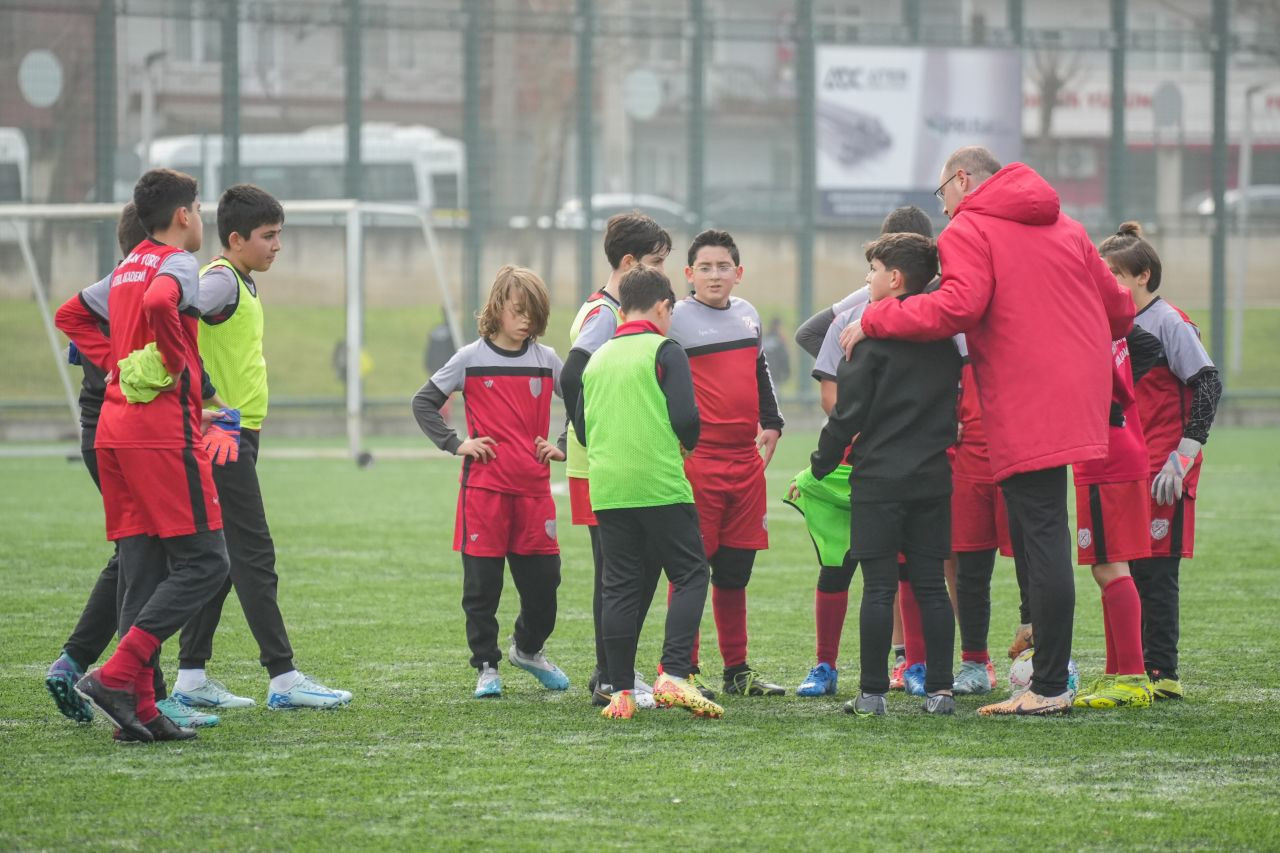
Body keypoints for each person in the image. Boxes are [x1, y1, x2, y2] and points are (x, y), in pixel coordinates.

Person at [842, 146, 1135, 716]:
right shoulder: (1068, 226)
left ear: (960, 180)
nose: (945, 208)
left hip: (1026, 394)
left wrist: (874, 317)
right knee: (1041, 530)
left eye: (942, 194)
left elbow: (957, 307)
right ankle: (1049, 678)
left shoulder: (969, 228)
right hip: (1079, 390)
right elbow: (1120, 311)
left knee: (1042, 534)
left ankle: (1049, 686)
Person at [55, 168, 232, 742]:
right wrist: (174, 361)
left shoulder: (128, 263)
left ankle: (141, 709)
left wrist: (116, 363)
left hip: (113, 429)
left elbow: (71, 315)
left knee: (142, 568)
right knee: (208, 562)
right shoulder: (176, 263)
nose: (201, 218)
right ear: (183, 215)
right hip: (160, 433)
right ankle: (117, 676)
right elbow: (162, 302)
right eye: (200, 208)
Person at [172, 184, 351, 711]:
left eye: (280, 235)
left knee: (222, 561)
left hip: (236, 435)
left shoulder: (241, 282)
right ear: (236, 239)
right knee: (254, 555)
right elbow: (175, 323)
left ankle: (189, 677)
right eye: (269, 236)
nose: (277, 245)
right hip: (221, 438)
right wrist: (208, 405)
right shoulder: (219, 283)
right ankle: (283, 676)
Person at [810, 233, 960, 717]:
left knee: (878, 588)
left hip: (877, 480)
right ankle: (940, 690)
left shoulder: (868, 341)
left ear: (894, 279)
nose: (868, 280)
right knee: (931, 587)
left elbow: (847, 416)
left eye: (872, 271)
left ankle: (872, 693)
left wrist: (821, 462)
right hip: (932, 478)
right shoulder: (944, 342)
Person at [789, 206, 932, 698]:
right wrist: (862, 431)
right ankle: (825, 667)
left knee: (905, 568)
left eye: (872, 269)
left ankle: (914, 666)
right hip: (851, 460)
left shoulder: (937, 317)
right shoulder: (848, 319)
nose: (867, 277)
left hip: (896, 464)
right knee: (836, 565)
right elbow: (830, 394)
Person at [572, 265, 723, 721]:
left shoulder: (597, 358)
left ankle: (618, 690)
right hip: (658, 483)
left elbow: (580, 423)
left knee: (618, 585)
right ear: (663, 307)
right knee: (692, 572)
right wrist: (686, 442)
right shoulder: (664, 348)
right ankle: (674, 674)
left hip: (609, 487)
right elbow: (687, 416)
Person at [412, 265, 569, 699]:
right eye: (520, 311)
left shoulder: (547, 360)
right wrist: (455, 443)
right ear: (497, 308)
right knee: (482, 587)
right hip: (484, 493)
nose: (527, 321)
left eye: (535, 314)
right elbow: (423, 402)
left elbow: (583, 402)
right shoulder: (469, 359)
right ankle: (486, 665)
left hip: (535, 494)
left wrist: (562, 445)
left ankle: (528, 649)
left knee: (545, 585)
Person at [1098, 222, 1222, 701]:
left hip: (1162, 470)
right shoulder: (1112, 322)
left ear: (1143, 275)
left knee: (1156, 572)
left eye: (1114, 275)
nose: (1107, 283)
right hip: (1124, 466)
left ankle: (1161, 672)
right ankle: (1129, 669)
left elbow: (1207, 383)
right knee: (1120, 568)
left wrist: (1183, 456)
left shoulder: (1170, 321)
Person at [667, 229, 786, 697]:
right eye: (705, 267)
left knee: (736, 572)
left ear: (738, 273)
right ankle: (683, 670)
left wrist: (772, 419)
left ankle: (737, 671)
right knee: (693, 568)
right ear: (688, 274)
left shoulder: (748, 314)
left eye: (723, 267)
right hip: (698, 462)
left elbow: (760, 370)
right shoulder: (673, 319)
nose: (714, 275)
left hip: (745, 462)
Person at [559, 212, 672, 706]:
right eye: (656, 262)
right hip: (601, 461)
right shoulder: (607, 313)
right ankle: (611, 675)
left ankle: (610, 669)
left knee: (622, 568)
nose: (662, 273)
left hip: (602, 460)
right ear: (629, 263)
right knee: (624, 569)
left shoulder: (602, 304)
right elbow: (573, 373)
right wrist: (587, 431)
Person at [1071, 327, 1162, 710]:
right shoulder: (1108, 320)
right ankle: (1116, 673)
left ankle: (1132, 677)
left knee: (1110, 567)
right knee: (1105, 566)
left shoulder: (1088, 319)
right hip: (1111, 449)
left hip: (1106, 455)